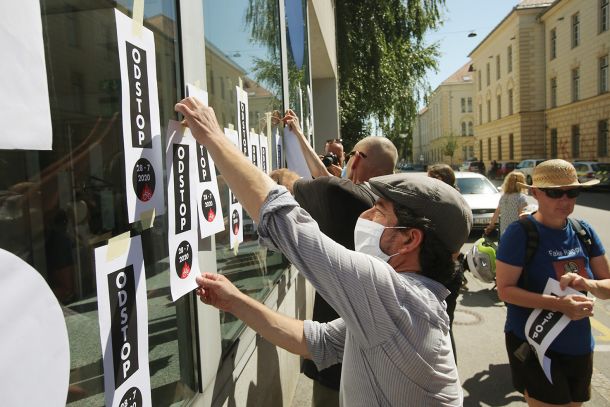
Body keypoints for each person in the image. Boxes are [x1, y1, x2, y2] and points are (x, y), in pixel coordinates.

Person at [175, 96, 472, 406]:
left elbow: (288, 224)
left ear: (409, 240)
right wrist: (236, 302)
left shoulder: (398, 301)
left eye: (380, 212)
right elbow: (318, 342)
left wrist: (211, 135)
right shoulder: (400, 306)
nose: (365, 217)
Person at [270, 136, 397, 406]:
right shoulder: (392, 206)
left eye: (351, 154)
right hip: (383, 355)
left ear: (358, 158)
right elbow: (324, 178)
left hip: (337, 354)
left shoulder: (343, 195)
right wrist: (298, 133)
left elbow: (291, 180)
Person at [495, 159, 610, 406]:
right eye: (555, 193)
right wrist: (559, 305)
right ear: (535, 193)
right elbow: (505, 291)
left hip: (579, 344)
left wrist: (588, 285)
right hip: (536, 343)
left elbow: (607, 286)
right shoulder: (520, 233)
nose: (565, 200)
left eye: (572, 192)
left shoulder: (584, 231)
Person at [427, 163, 462, 362]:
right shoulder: (451, 199)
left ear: (439, 179)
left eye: (429, 177)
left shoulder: (448, 203)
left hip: (444, 272)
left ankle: (447, 373)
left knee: (442, 327)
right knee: (444, 326)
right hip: (447, 270)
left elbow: (454, 248)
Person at [484, 170, 528, 239]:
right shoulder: (521, 197)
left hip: (504, 231)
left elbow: (497, 212)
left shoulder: (503, 196)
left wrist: (491, 225)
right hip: (517, 230)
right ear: (522, 183)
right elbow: (521, 216)